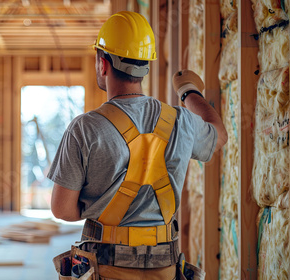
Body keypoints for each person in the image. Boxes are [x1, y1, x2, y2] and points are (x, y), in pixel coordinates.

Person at [48, 11, 227, 280]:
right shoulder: (181, 122)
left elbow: (62, 209)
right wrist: (189, 91)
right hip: (164, 269)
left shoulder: (84, 128)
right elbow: (219, 136)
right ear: (145, 66)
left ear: (102, 64)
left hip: (104, 269)